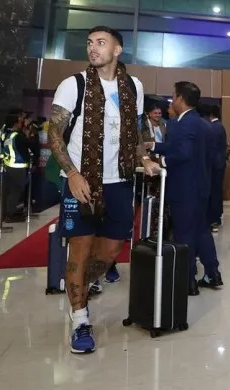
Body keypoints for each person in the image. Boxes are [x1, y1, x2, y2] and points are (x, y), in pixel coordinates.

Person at [47, 26, 158, 354]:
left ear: (118, 49)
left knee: (110, 253)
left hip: (120, 181)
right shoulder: (74, 84)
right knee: (80, 250)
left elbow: (134, 133)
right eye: (90, 43)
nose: (93, 48)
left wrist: (145, 159)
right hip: (83, 182)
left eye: (101, 43)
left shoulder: (133, 86)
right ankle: (80, 317)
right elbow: (54, 134)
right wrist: (71, 173)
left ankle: (80, 285)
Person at [147, 81, 222, 296]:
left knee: (185, 234)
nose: (171, 100)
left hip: (185, 189)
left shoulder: (185, 123)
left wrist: (160, 162)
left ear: (180, 98)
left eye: (173, 96)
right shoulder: (197, 122)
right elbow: (178, 146)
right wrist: (154, 146)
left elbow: (184, 153)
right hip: (199, 187)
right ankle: (212, 272)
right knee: (201, 231)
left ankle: (189, 280)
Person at [0, 109, 31, 223]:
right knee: (16, 191)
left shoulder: (5, 134)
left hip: (8, 165)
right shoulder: (17, 136)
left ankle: (4, 213)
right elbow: (26, 149)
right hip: (18, 166)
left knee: (8, 191)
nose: (21, 122)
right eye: (19, 120)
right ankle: (11, 214)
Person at [202, 104, 228, 232]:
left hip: (214, 164)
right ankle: (216, 216)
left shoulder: (213, 127)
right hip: (219, 163)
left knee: (214, 192)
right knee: (216, 191)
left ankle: (214, 219)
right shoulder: (219, 126)